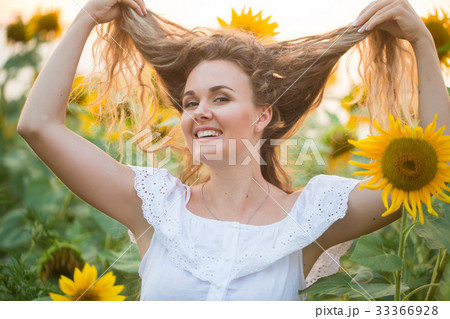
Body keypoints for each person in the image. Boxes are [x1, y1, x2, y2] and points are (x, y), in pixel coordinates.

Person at [16, 0, 449, 301]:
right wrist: (88, 16)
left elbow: (435, 167)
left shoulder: (312, 217)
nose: (200, 112)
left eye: (220, 98)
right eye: (190, 102)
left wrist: (423, 44)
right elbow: (38, 125)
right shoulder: (153, 205)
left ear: (264, 116)